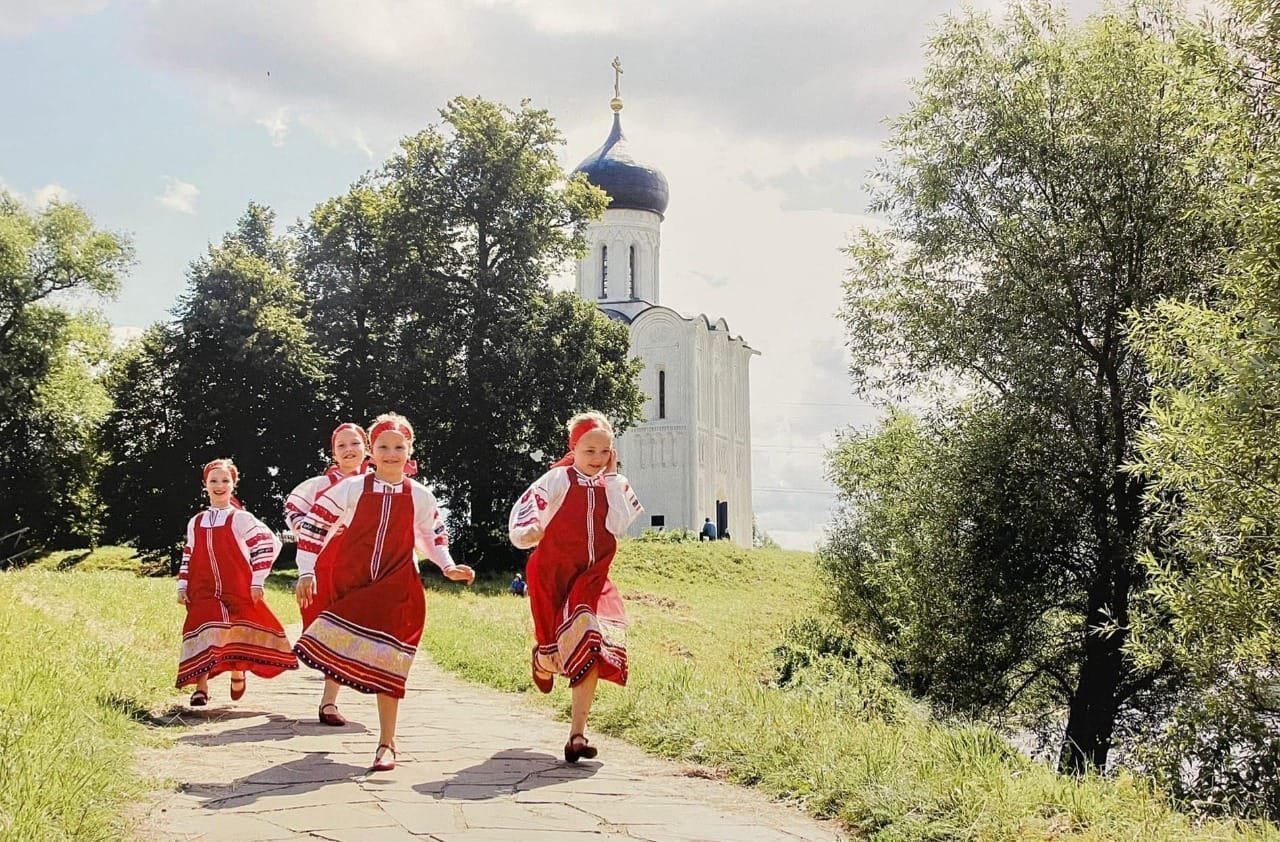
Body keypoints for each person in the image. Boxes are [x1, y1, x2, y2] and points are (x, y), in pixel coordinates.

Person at [293, 413, 475, 771]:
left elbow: (432, 536)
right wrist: (306, 570)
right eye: (383, 447)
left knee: (391, 662)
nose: (391, 454)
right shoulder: (351, 488)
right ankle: (331, 699)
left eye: (398, 447)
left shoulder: (420, 496)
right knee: (332, 641)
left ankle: (386, 744)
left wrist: (447, 566)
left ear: (410, 451)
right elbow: (315, 527)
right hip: (353, 583)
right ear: (371, 452)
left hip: (398, 587)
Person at [509, 411, 643, 763]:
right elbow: (528, 509)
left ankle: (577, 735)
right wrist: (529, 532)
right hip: (552, 573)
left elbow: (618, 525)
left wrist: (611, 479)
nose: (597, 458)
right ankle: (543, 660)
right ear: (574, 448)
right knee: (556, 651)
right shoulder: (558, 478)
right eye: (589, 451)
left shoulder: (616, 484)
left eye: (605, 451)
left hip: (593, 577)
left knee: (592, 641)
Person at [177, 459, 298, 706]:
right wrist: (182, 585)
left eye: (225, 480)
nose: (219, 485)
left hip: (237, 586)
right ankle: (201, 687)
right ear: (205, 485)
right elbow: (188, 553)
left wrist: (257, 580)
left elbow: (267, 543)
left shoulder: (240, 518)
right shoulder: (196, 521)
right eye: (213, 480)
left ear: (233, 484)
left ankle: (238, 670)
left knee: (238, 629)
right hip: (202, 588)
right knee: (204, 630)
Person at [284, 422, 372, 727]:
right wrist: (307, 528)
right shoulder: (319, 485)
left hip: (363, 566)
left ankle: (335, 697)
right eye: (341, 446)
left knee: (355, 626)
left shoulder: (376, 483)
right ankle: (329, 699)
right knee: (327, 626)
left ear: (366, 448)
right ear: (333, 453)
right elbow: (293, 508)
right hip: (325, 564)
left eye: (354, 443)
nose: (349, 450)